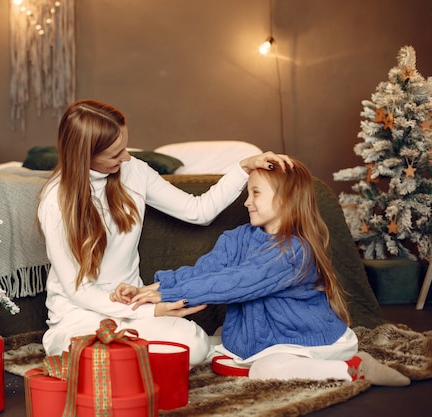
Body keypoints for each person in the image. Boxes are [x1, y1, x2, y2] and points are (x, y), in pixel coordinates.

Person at [37, 99, 292, 366]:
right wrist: (154, 310)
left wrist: (243, 168)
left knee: (193, 345)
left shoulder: (133, 170)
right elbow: (79, 290)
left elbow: (199, 211)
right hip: (80, 317)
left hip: (134, 310)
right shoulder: (56, 201)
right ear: (84, 155)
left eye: (125, 146)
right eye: (115, 154)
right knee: (96, 359)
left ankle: (134, 360)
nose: (126, 157)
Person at [116, 158, 410, 385]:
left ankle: (353, 367)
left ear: (285, 198)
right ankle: (251, 350)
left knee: (264, 370)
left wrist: (166, 293)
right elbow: (206, 270)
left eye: (255, 193)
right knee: (211, 347)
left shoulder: (295, 251)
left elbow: (236, 282)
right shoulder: (239, 236)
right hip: (265, 334)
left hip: (304, 340)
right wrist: (151, 289)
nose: (246, 201)